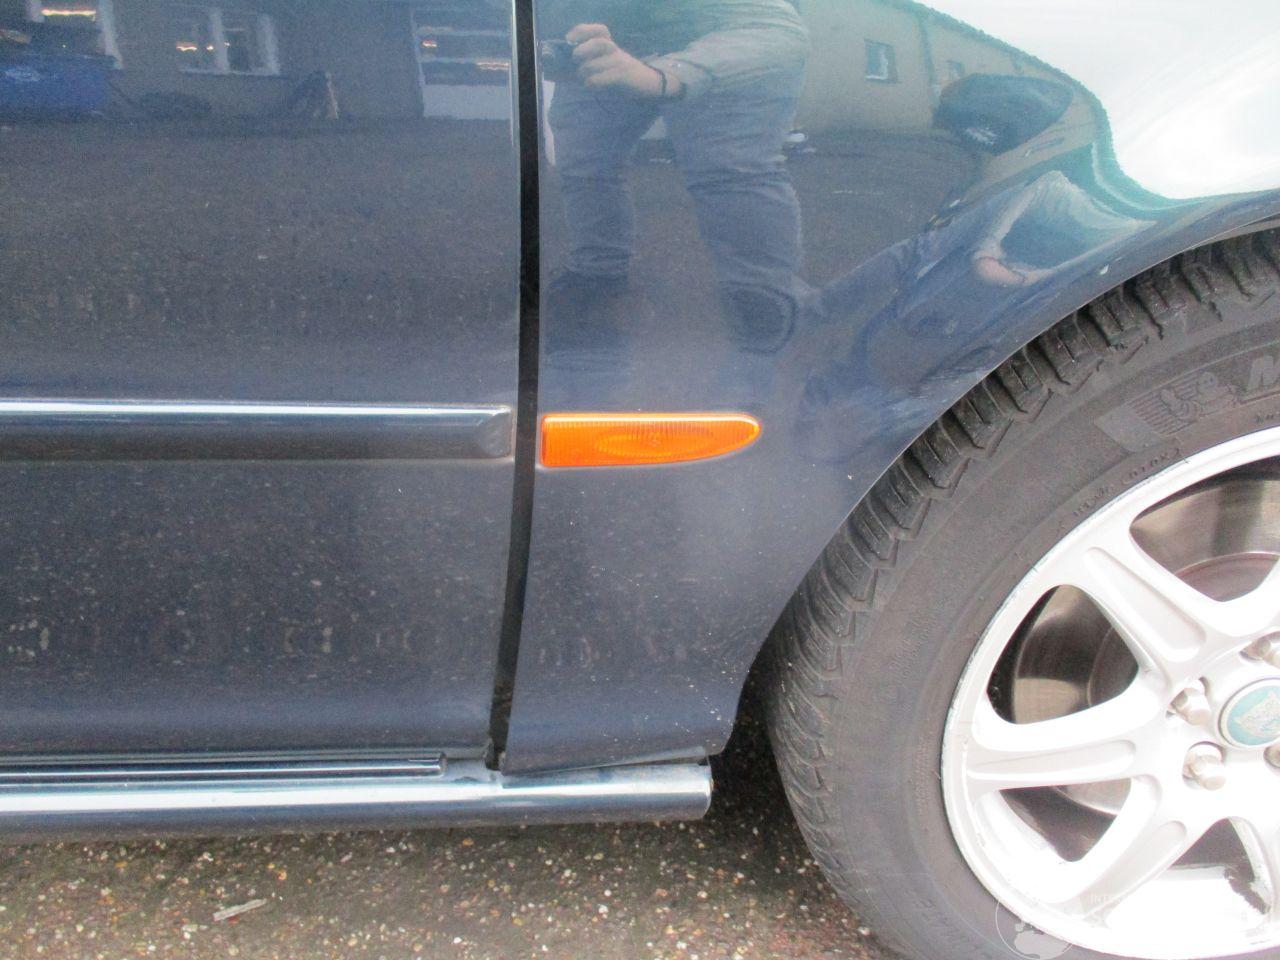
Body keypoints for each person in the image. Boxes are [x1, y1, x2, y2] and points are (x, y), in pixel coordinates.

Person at [541, 1, 810, 356]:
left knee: (731, 169)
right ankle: (598, 281)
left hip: (730, 22)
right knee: (585, 163)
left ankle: (763, 309)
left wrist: (667, 75)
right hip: (596, 32)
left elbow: (770, 28)